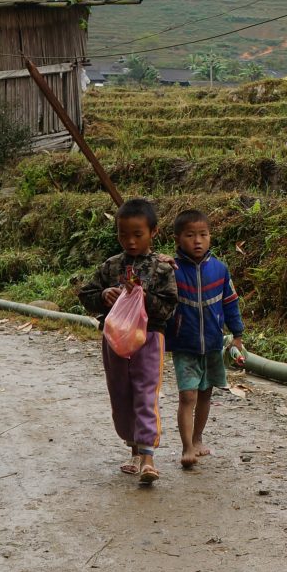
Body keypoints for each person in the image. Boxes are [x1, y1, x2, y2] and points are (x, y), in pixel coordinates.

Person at [78, 198, 178, 485]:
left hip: (149, 338)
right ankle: (134, 448)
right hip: (115, 340)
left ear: (153, 232)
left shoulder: (162, 268)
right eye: (123, 235)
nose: (130, 241)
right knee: (121, 394)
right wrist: (104, 295)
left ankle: (148, 457)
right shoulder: (111, 266)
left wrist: (143, 297)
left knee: (146, 393)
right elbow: (86, 295)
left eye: (138, 234)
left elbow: (170, 305)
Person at [166, 209, 246, 470]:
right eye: (190, 235)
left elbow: (231, 303)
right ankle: (187, 446)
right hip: (184, 345)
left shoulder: (220, 270)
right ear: (178, 239)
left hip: (212, 344)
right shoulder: (171, 271)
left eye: (203, 234)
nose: (197, 241)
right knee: (187, 396)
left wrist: (237, 336)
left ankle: (198, 439)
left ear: (210, 237)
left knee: (205, 393)